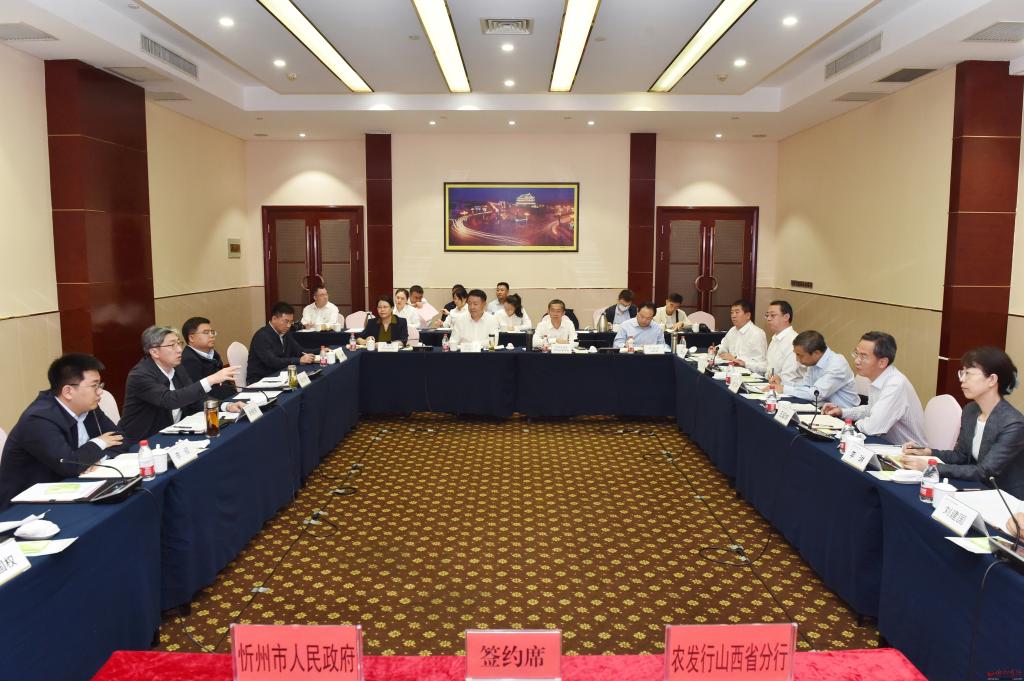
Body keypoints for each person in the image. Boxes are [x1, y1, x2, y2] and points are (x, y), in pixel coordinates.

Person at [0, 354, 124, 510]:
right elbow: (69, 465)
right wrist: (99, 443)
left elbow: (120, 439)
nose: (100, 392)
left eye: (100, 385)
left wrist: (97, 460)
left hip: (71, 489)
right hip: (26, 507)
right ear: (68, 392)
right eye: (94, 386)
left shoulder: (88, 406)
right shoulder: (38, 419)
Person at [902, 347, 1024, 498]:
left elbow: (985, 471)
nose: (962, 379)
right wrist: (928, 452)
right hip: (975, 487)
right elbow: (960, 455)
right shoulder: (971, 410)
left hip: (1005, 497)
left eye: (968, 374)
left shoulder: (1013, 424)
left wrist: (932, 467)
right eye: (962, 373)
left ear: (992, 379)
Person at [120, 326, 241, 442]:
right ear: (154, 352)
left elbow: (195, 397)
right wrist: (210, 380)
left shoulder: (177, 367)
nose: (179, 349)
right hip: (144, 440)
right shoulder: (140, 375)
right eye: (172, 345)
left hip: (174, 432)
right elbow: (170, 400)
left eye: (179, 343)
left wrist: (226, 406)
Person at [821, 332, 926, 445]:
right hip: (885, 445)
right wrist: (842, 412)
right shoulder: (878, 377)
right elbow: (871, 410)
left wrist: (852, 425)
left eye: (863, 356)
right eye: (856, 353)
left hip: (909, 452)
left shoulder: (895, 384)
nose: (856, 361)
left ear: (882, 362)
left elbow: (873, 428)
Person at [768, 330, 859, 408]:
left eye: (800, 355)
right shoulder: (815, 361)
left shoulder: (837, 365)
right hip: (823, 408)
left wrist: (783, 389)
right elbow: (805, 386)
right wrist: (782, 382)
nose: (797, 359)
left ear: (816, 353)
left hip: (844, 416)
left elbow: (816, 394)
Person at [247, 302, 317, 384]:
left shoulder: (285, 333)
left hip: (280, 375)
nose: (288, 325)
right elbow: (273, 361)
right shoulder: (261, 336)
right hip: (261, 380)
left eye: (291, 322)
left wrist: (321, 350)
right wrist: (299, 360)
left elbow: (300, 351)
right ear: (274, 319)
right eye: (286, 321)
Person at [744, 300, 804, 383]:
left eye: (772, 315)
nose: (768, 319)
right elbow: (768, 367)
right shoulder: (775, 338)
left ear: (786, 317)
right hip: (770, 383)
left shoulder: (794, 341)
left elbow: (789, 376)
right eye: (767, 315)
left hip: (785, 387)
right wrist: (745, 364)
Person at [180, 316, 237, 401]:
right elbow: (198, 393)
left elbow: (224, 381)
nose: (212, 335)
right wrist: (226, 404)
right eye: (206, 332)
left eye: (212, 332)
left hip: (228, 396)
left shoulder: (213, 353)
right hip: (213, 403)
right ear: (191, 338)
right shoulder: (188, 360)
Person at [709, 299, 767, 368]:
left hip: (748, 372)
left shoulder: (757, 333)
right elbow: (724, 346)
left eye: (737, 312)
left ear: (748, 315)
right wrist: (716, 349)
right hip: (731, 368)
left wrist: (735, 359)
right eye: (732, 312)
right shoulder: (732, 330)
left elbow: (761, 363)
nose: (733, 316)